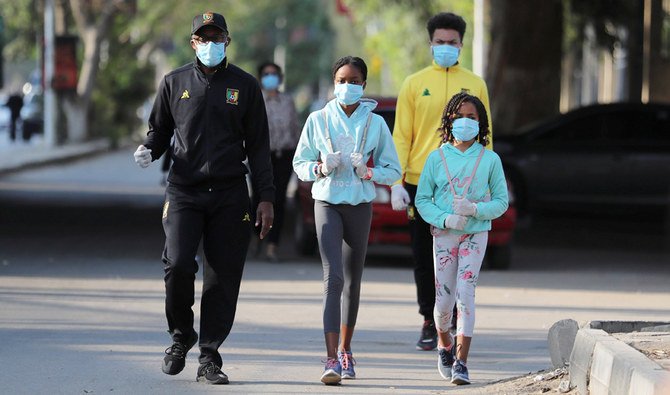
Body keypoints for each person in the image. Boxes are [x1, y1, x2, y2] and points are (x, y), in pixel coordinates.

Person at [132, 11, 274, 385]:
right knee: (178, 264)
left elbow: (259, 147)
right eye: (203, 38)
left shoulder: (244, 86)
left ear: (227, 40)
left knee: (222, 277)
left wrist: (265, 197)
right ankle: (181, 337)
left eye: (217, 37)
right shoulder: (174, 81)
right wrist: (149, 149)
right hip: (184, 190)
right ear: (193, 42)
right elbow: (159, 131)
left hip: (229, 193)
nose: (210, 44)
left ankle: (209, 356)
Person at [292, 56, 401, 385]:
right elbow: (300, 163)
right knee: (333, 278)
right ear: (333, 83)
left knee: (353, 281)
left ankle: (346, 349)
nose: (347, 86)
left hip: (359, 204)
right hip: (327, 202)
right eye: (341, 80)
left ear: (363, 85)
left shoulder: (376, 124)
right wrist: (321, 168)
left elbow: (393, 170)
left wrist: (369, 171)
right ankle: (330, 360)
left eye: (354, 81)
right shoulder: (318, 119)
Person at [391, 12, 493, 351]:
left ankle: (456, 320)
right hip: (422, 182)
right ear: (430, 44)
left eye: (452, 43)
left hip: (464, 187)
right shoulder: (413, 83)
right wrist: (395, 181)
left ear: (461, 45)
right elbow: (402, 136)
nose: (445, 47)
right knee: (425, 254)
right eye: (440, 42)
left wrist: (486, 182)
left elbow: (486, 135)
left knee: (462, 254)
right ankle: (428, 319)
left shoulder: (475, 83)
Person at [415, 92, 508, 385]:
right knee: (443, 301)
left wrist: (476, 210)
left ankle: (462, 362)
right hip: (444, 236)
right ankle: (444, 344)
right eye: (460, 117)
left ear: (481, 124)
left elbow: (502, 202)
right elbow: (423, 200)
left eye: (472, 117)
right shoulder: (436, 157)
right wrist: (445, 218)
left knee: (465, 295)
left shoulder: (490, 159)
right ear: (449, 121)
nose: (465, 122)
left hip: (475, 234)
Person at [252, 61, 300, 262]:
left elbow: (295, 129)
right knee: (258, 198)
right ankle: (257, 238)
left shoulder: (288, 101)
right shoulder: (254, 100)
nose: (270, 77)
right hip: (260, 157)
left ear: (280, 78)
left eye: (274, 74)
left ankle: (273, 244)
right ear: (261, 77)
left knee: (278, 200)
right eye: (266, 73)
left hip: (284, 156)